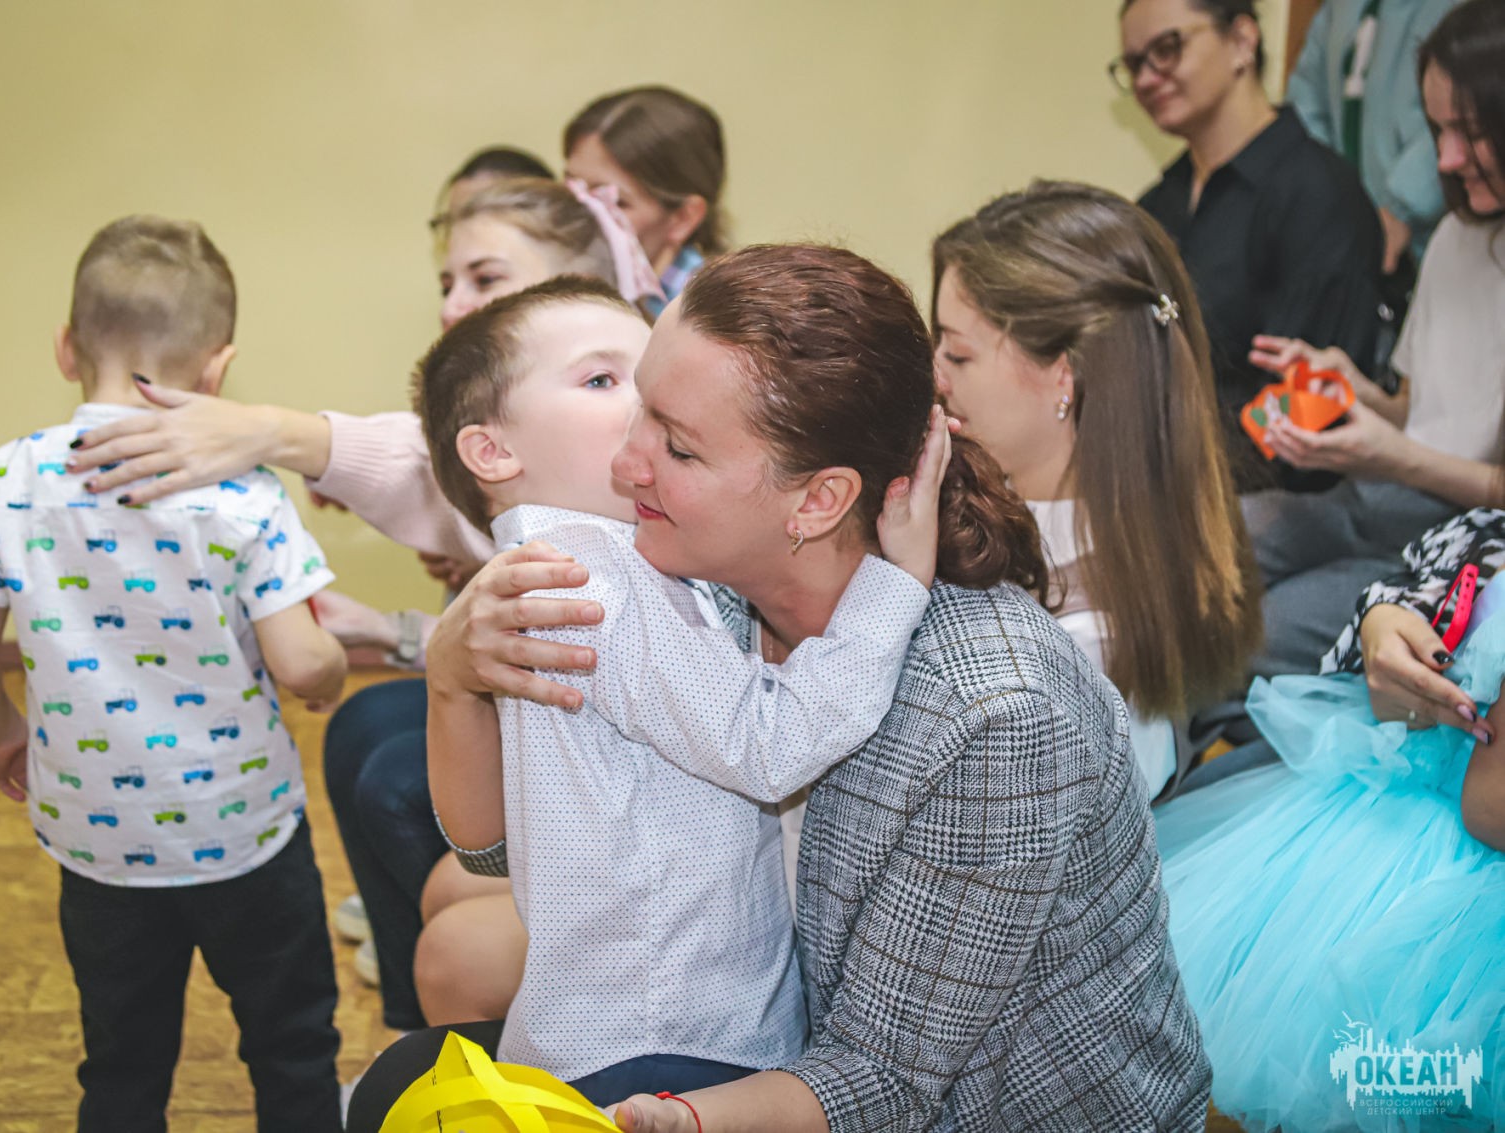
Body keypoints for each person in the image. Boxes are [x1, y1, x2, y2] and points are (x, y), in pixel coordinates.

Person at [358, 245, 1211, 1132]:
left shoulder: (993, 713)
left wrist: (680, 1117)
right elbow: (496, 851)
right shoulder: (690, 582)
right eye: (636, 403)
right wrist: (453, 680)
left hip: (966, 1109)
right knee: (406, 1082)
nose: (626, 462)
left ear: (817, 501)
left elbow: (885, 1080)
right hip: (777, 1048)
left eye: (676, 446)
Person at [66, 177, 660, 1030]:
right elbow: (486, 831)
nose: (455, 302)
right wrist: (412, 642)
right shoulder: (552, 513)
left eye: (486, 278)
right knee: (395, 786)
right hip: (590, 833)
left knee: (414, 842)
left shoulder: (654, 532)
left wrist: (274, 437)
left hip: (655, 885)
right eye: (448, 281)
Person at [376, 273, 939, 1105]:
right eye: (605, 381)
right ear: (493, 451)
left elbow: (492, 841)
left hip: (617, 1024)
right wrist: (895, 586)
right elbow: (769, 746)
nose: (648, 406)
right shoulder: (589, 582)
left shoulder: (565, 574)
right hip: (672, 1033)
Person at [0, 215, 347, 1132]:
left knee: (121, 1064)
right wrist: (332, 674)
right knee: (292, 1046)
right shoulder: (243, 491)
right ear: (217, 370)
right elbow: (299, 659)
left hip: (97, 839)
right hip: (243, 830)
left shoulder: (3, 479)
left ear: (65, 348)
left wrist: (3, 733)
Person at [1152, 502, 1505, 1129]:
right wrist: (1383, 618)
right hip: (1382, 788)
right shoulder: (1484, 529)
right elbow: (1420, 582)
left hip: (1447, 875)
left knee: (1389, 1080)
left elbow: (1488, 808)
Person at [930, 181, 1260, 798]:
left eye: (960, 355)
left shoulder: (1085, 644)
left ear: (1064, 375)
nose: (936, 374)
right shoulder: (1005, 504)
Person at [1226, 0, 1505, 680]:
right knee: (1206, 539)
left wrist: (1395, 458)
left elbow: (1442, 462)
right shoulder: (1457, 235)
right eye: (1437, 129)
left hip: (1468, 533)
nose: (1445, 159)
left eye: (1469, 133)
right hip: (1382, 495)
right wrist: (1351, 386)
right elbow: (1423, 411)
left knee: (1258, 632)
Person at [1116, 0, 1384, 492]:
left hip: (1273, 494)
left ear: (1242, 40)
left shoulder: (1318, 193)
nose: (1147, 78)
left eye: (1167, 49)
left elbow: (1305, 411)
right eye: (1134, 64)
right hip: (1157, 481)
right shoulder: (1155, 206)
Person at [1286, 0, 1459, 317]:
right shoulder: (1338, 10)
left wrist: (1401, 207)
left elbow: (1461, 119)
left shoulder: (1456, 9)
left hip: (1426, 238)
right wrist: (1324, 201)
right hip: (1345, 231)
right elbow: (1306, 105)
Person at [563, 85, 728, 314]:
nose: (576, 216)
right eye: (572, 188)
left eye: (615, 202)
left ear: (684, 218)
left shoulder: (705, 316)